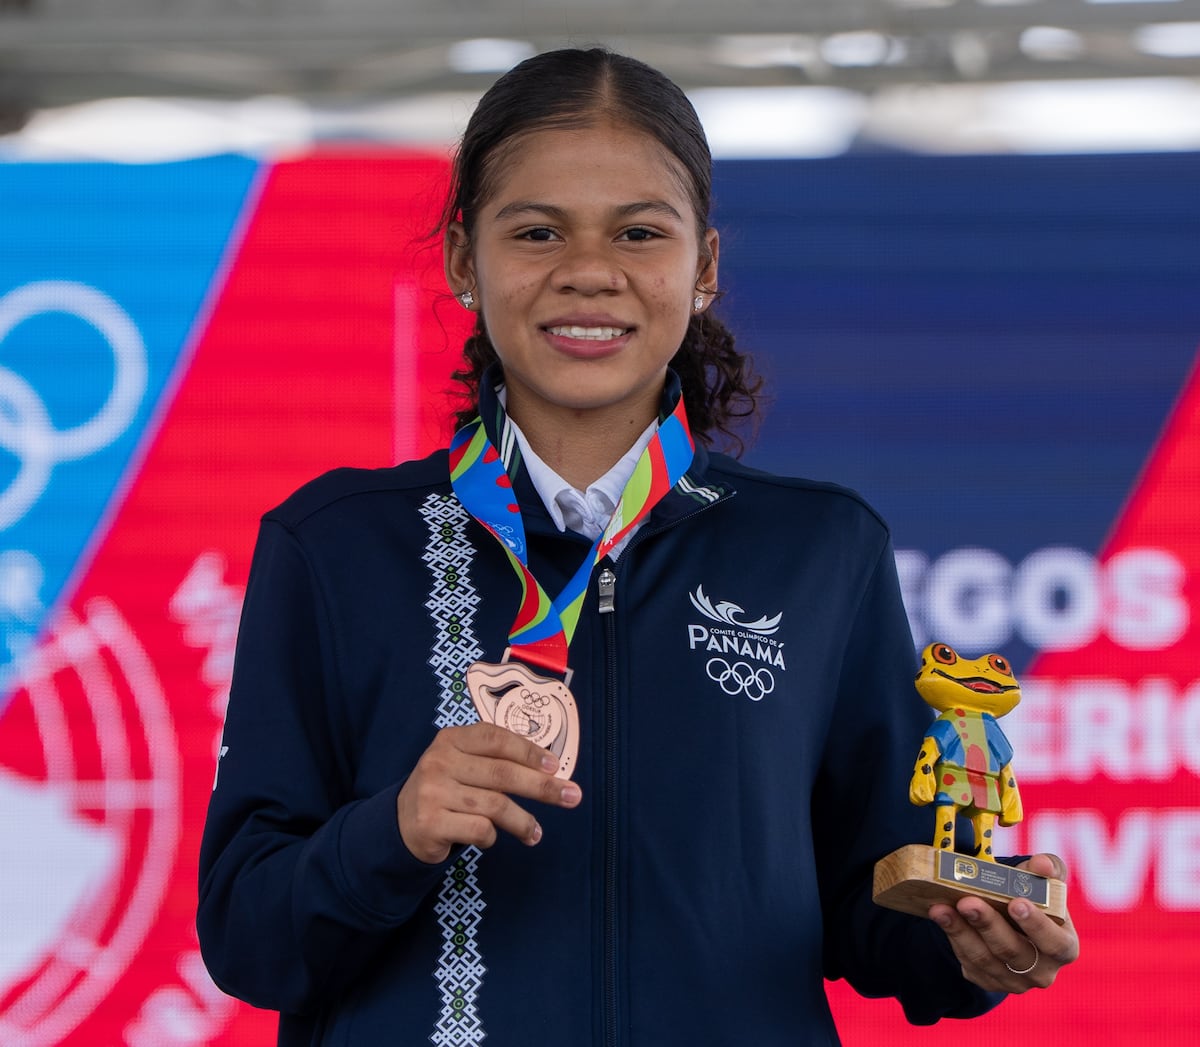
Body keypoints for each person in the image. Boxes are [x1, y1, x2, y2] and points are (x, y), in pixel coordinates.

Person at [197, 46, 1079, 1046]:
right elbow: (247, 934)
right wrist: (390, 831)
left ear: (701, 266)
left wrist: (976, 944)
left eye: (638, 232)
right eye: (536, 231)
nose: (588, 271)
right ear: (461, 260)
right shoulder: (334, 544)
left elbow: (869, 910)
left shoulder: (819, 549)